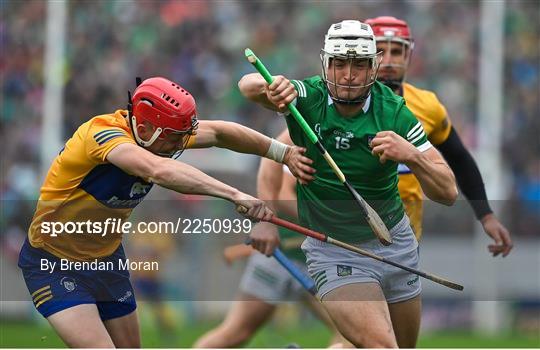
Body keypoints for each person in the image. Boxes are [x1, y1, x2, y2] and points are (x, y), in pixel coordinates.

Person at [17, 76, 314, 348]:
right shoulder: (102, 136)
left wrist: (282, 152)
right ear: (144, 129)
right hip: (53, 263)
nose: (179, 145)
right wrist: (234, 194)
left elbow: (222, 133)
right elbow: (157, 170)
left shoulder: (163, 133)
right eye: (174, 139)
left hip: (107, 261)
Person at [239, 20, 458, 348]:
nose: (348, 74)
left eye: (359, 64)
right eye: (339, 63)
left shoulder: (394, 112)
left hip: (394, 242)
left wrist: (411, 155)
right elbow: (247, 84)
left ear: (374, 67)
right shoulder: (307, 97)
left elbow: (449, 192)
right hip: (334, 249)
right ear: (326, 63)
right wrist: (270, 87)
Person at [364, 15, 513, 255]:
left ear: (409, 56)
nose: (389, 61)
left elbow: (459, 159)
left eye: (397, 52)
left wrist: (486, 216)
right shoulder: (341, 103)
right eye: (379, 51)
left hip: (404, 244)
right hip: (350, 240)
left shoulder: (427, 106)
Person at [194, 129, 344, 348]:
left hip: (320, 263)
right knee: (235, 333)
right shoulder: (307, 137)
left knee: (351, 335)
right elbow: (282, 195)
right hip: (278, 255)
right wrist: (327, 223)